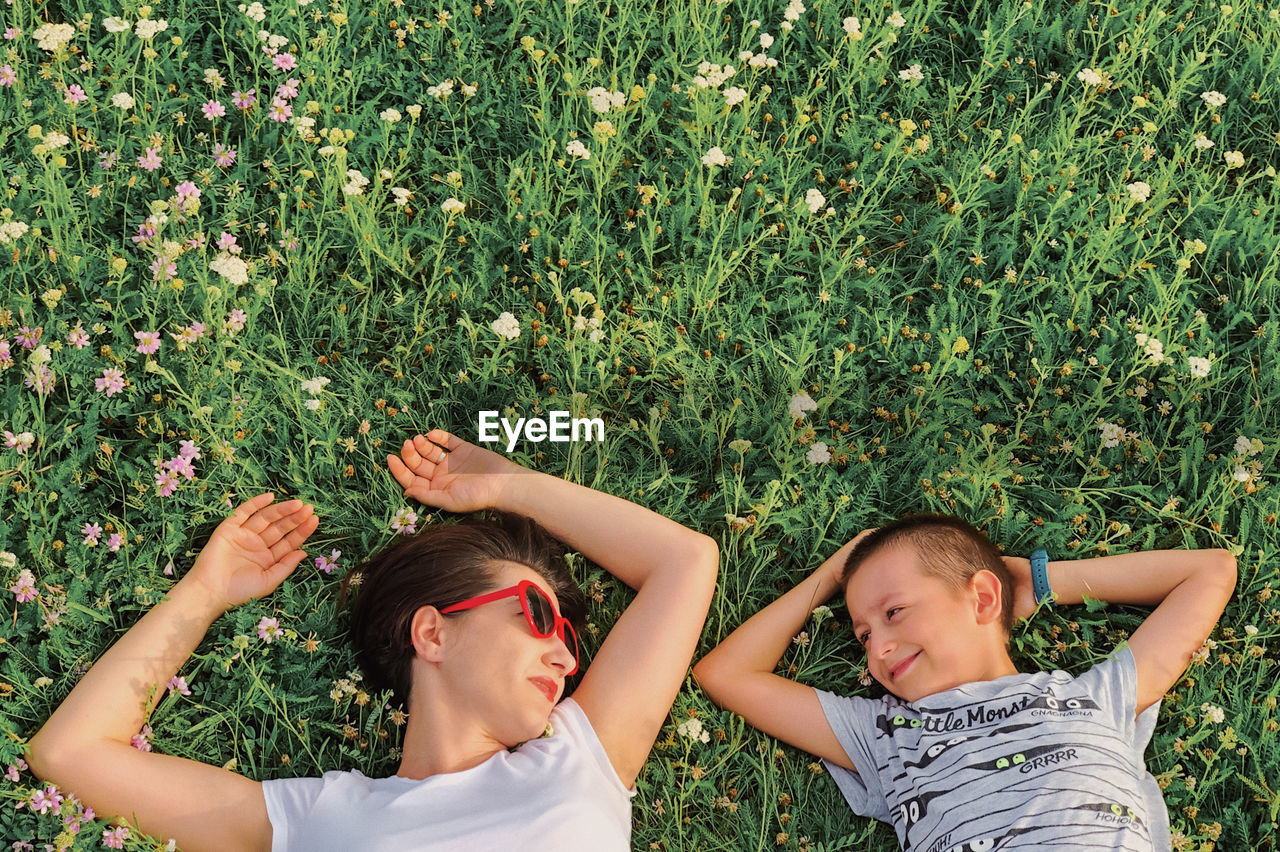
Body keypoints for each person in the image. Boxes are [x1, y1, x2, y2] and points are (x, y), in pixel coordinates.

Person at [27, 429, 719, 851]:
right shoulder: (318, 820)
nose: (567, 657)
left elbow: (686, 561)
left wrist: (508, 486)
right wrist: (203, 595)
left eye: (566, 635)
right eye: (537, 618)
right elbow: (70, 754)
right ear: (432, 632)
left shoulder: (579, 764)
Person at [693, 513, 1236, 852]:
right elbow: (726, 674)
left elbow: (1211, 571)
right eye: (862, 634)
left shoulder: (1091, 700)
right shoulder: (887, 734)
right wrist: (827, 578)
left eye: (895, 612)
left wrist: (1042, 581)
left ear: (980, 599)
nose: (877, 648)